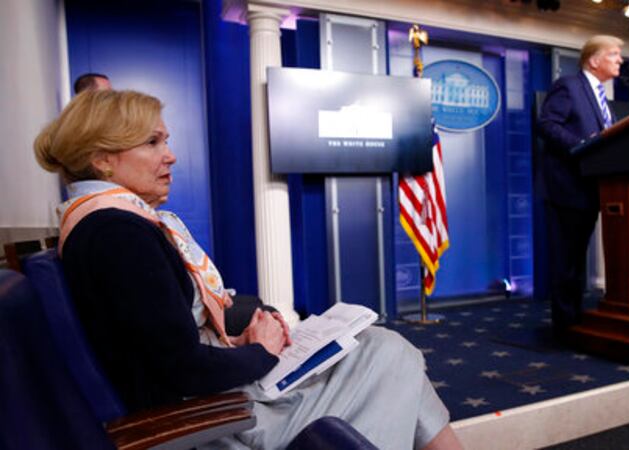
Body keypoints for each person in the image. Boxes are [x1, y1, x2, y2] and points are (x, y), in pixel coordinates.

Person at [33, 89, 462, 450]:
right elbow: (181, 369)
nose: (171, 156)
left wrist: (238, 343)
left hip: (205, 398)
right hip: (210, 419)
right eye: (153, 142)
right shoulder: (117, 233)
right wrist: (262, 352)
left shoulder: (96, 222)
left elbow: (155, 344)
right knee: (389, 354)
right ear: (103, 159)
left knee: (381, 348)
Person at [536, 35, 623, 338]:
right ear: (594, 60)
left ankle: (575, 317)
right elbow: (547, 124)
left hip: (590, 188)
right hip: (566, 188)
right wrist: (582, 146)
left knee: (577, 259)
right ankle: (565, 325)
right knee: (566, 259)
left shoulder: (601, 96)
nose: (620, 60)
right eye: (614, 54)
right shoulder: (569, 86)